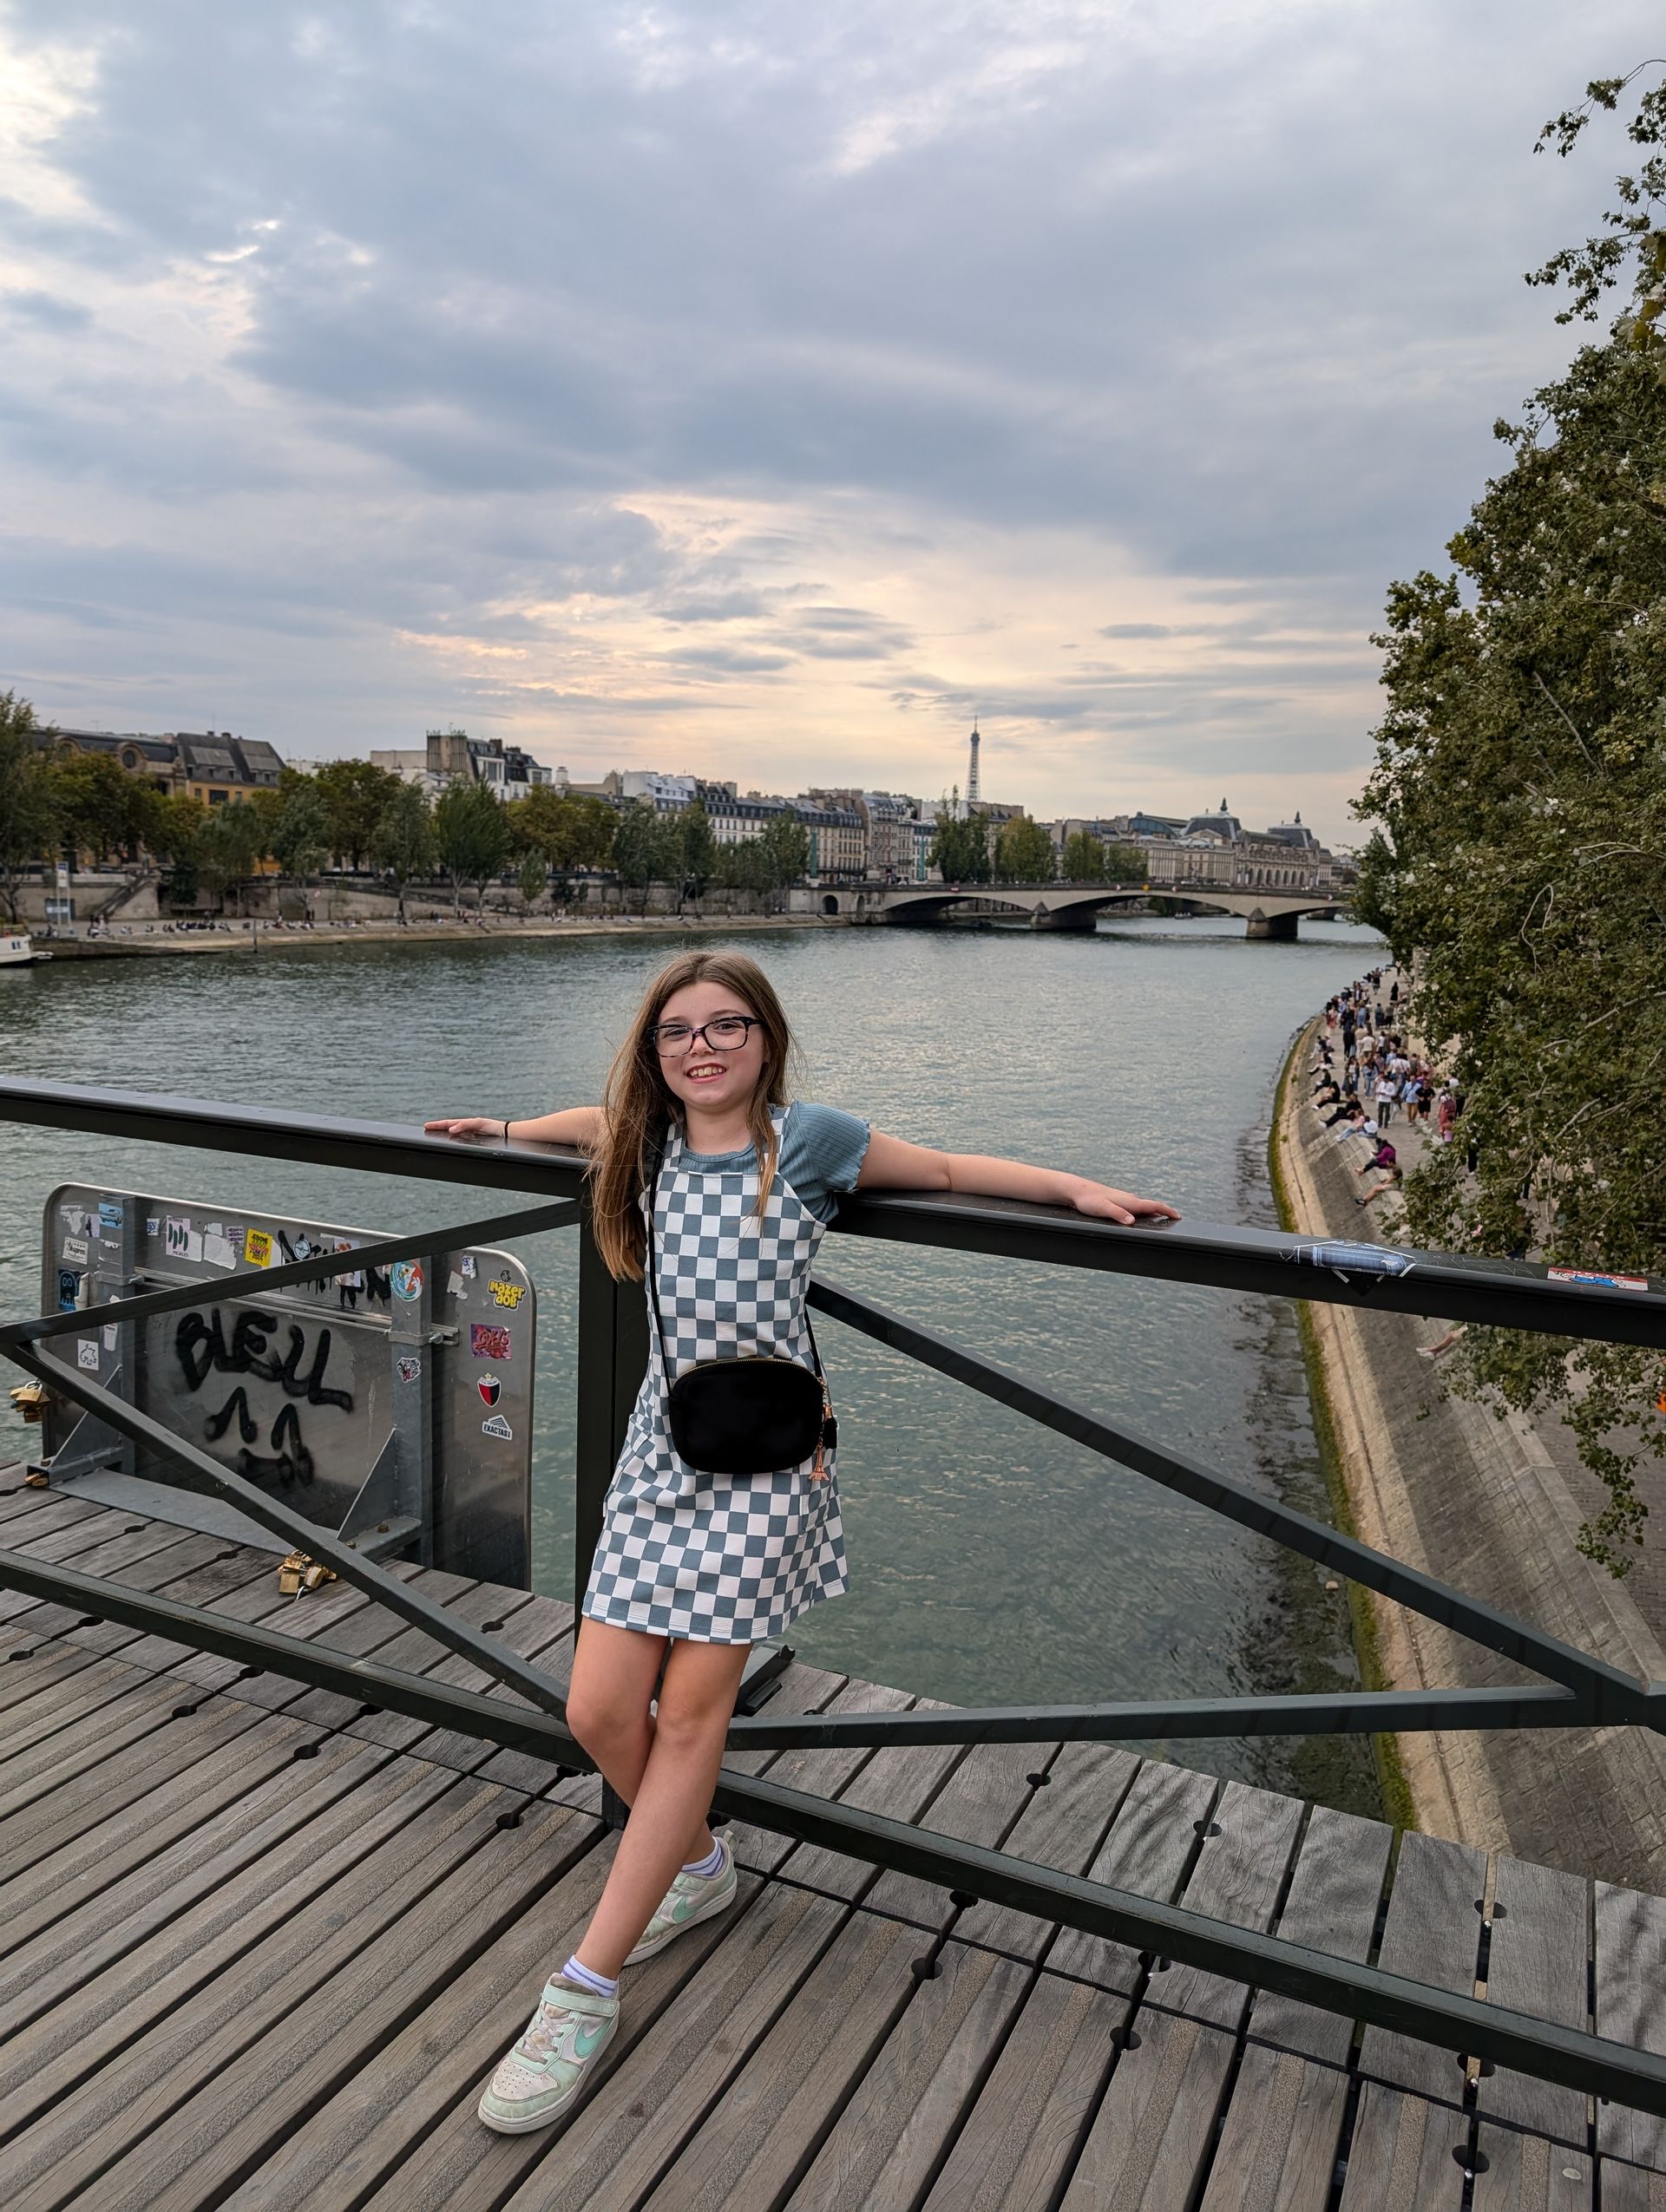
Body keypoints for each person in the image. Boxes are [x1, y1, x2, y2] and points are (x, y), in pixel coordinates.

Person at [425, 950, 1181, 2136]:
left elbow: (939, 1167)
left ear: (768, 1042)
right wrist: (508, 1125)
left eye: (728, 1026)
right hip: (662, 1447)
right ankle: (696, 1859)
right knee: (596, 1709)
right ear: (655, 1053)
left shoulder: (809, 1142)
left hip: (771, 1464)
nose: (704, 1046)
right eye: (679, 1032)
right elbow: (588, 1123)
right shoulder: (644, 1139)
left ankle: (584, 1985)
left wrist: (1077, 1190)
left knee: (691, 1719)